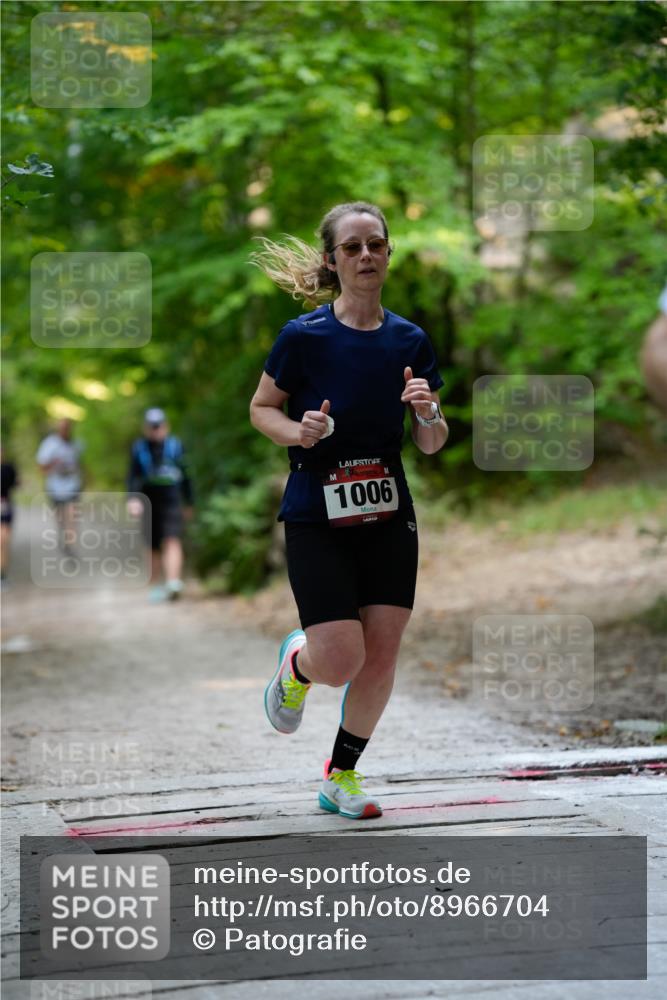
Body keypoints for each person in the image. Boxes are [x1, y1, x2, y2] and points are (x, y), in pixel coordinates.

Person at [249, 201, 448, 820]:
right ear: (333, 260)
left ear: (389, 254)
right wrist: (298, 432)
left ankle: (342, 775)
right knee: (340, 661)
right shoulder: (304, 337)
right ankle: (297, 664)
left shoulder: (409, 339)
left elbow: (432, 442)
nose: (367, 256)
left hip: (388, 510)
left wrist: (427, 412)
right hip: (317, 510)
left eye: (377, 245)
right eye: (353, 247)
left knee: (382, 653)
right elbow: (262, 409)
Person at [126, 408, 193, 601]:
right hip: (147, 500)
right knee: (152, 545)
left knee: (172, 538)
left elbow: (187, 475)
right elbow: (132, 476)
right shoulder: (139, 448)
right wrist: (132, 499)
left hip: (171, 499)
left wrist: (189, 502)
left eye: (159, 426)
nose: (156, 430)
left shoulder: (176, 446)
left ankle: (173, 582)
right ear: (145, 428)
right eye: (152, 427)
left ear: (166, 426)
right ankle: (154, 585)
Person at [36, 417, 84, 556]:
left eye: (67, 428)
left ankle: (70, 545)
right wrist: (54, 465)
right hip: (55, 487)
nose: (65, 431)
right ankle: (64, 536)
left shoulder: (76, 444)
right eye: (62, 428)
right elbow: (41, 467)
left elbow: (80, 463)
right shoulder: (49, 444)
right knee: (61, 518)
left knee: (72, 515)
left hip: (73, 485)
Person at [1, 446, 19, 585]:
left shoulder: (8, 468)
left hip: (4, 508)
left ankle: (2, 575)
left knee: (3, 541)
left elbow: (16, 484)